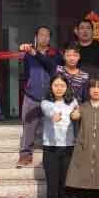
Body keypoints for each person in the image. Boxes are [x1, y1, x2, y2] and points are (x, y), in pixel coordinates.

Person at [40, 74, 79, 198]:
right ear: (51, 87)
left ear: (67, 87)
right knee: (52, 191)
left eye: (62, 85)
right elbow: (49, 111)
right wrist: (54, 116)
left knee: (66, 190)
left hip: (68, 149)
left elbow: (78, 113)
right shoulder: (45, 102)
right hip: (50, 150)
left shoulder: (73, 102)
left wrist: (77, 114)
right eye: (56, 85)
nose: (59, 88)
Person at [17, 26, 63, 168]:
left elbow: (52, 67)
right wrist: (28, 87)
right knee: (28, 126)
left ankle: (52, 157)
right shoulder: (28, 54)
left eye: (47, 35)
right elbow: (26, 73)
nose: (44, 37)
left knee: (52, 127)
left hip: (50, 97)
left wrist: (35, 53)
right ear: (36, 37)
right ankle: (25, 155)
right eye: (41, 34)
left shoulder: (55, 54)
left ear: (50, 38)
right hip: (31, 96)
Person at [24, 42, 90, 103]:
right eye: (68, 55)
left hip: (77, 109)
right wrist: (31, 50)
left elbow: (85, 99)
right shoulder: (57, 70)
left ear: (79, 57)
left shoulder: (84, 76)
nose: (72, 58)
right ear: (64, 56)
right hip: (56, 109)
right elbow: (43, 59)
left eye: (75, 55)